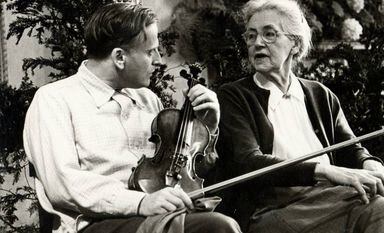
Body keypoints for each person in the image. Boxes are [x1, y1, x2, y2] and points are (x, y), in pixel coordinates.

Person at [23, 3, 241, 233]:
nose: (158, 60)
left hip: (154, 216)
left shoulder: (148, 99)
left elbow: (182, 171)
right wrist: (140, 203)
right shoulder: (54, 99)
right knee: (217, 228)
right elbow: (63, 184)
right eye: (150, 52)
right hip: (93, 224)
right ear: (119, 57)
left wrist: (208, 126)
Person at [215, 0, 384, 232]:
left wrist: (370, 163)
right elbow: (248, 162)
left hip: (331, 197)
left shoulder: (320, 94)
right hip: (273, 207)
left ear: (295, 45)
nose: (257, 43)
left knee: (383, 208)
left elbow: (350, 148)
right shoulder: (233, 96)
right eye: (251, 36)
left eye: (269, 34)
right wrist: (326, 170)